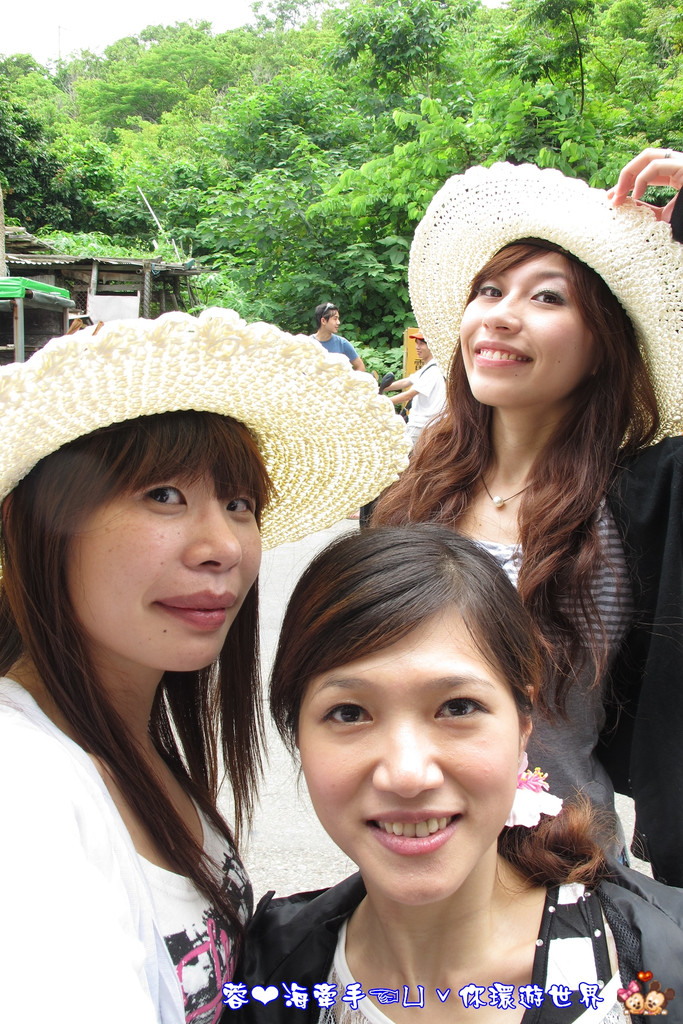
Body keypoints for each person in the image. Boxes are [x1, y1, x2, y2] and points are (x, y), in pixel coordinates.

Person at [0, 308, 409, 1024]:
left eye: (238, 503)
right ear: (36, 524)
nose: (223, 546)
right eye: (164, 496)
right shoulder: (22, 786)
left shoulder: (123, 738)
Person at [371, 156, 683, 886]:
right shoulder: (406, 498)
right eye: (489, 290)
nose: (501, 314)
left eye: (547, 297)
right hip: (406, 868)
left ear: (604, 345)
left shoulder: (639, 500)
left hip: (568, 881)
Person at [232, 525, 683, 1023]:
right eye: (349, 713)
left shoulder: (662, 961)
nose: (407, 776)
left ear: (523, 726)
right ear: (297, 735)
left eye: (458, 707)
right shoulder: (265, 976)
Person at [385, 331, 446, 446]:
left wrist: (381, 402)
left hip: (421, 426)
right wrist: (379, 388)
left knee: (402, 455)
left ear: (432, 346)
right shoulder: (429, 367)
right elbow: (406, 382)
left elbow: (409, 395)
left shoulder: (433, 371)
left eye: (421, 344)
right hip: (423, 425)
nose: (417, 347)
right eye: (416, 343)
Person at [312, 302, 366, 371]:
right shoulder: (308, 344)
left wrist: (350, 378)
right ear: (323, 321)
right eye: (335, 319)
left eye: (338, 319)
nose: (338, 322)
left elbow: (361, 367)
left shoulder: (342, 343)